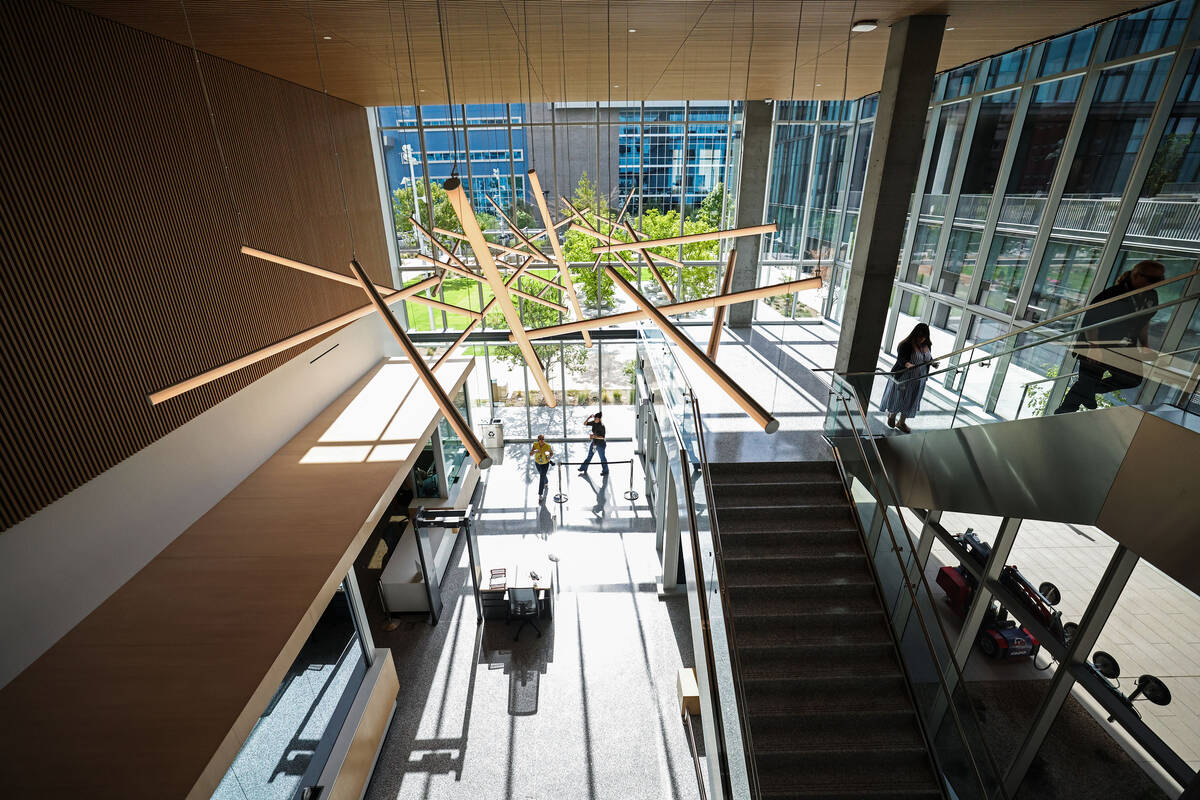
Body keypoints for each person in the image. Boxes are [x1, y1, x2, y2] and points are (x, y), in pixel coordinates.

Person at [1055, 260, 1164, 415]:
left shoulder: (1151, 296)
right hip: (1097, 343)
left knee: (1132, 378)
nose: (1157, 283)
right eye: (1153, 279)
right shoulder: (1113, 295)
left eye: (1161, 279)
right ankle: (1065, 411)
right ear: (1136, 276)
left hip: (1124, 346)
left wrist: (1145, 345)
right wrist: (1094, 347)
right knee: (1089, 379)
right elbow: (1091, 322)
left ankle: (1087, 391)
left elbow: (1144, 322)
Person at [881, 323, 939, 433]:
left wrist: (932, 363)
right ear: (915, 334)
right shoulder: (906, 344)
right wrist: (908, 364)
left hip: (919, 379)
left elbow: (926, 357)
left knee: (911, 400)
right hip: (904, 378)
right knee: (899, 398)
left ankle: (901, 422)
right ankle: (892, 415)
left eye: (924, 337)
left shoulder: (927, 345)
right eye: (919, 336)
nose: (921, 339)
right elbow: (901, 359)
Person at [578, 411, 608, 475]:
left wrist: (594, 436)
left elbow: (603, 437)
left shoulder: (602, 426)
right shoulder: (594, 422)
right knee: (589, 456)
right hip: (594, 442)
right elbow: (585, 423)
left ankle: (605, 471)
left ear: (599, 419)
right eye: (594, 418)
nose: (595, 420)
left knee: (602, 458)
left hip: (601, 444)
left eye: (596, 419)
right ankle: (583, 468)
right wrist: (589, 418)